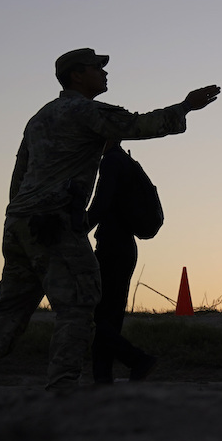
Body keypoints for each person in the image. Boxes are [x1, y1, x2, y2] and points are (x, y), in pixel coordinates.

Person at [0, 48, 220, 401]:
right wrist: (186, 106)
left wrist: (20, 216)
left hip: (20, 222)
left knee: (7, 307)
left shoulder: (39, 118)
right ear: (77, 75)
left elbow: (20, 176)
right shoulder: (85, 111)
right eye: (97, 69)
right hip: (53, 223)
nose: (105, 74)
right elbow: (138, 125)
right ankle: (62, 387)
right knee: (79, 303)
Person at [86, 143, 158, 384]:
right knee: (109, 316)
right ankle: (103, 378)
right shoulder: (124, 161)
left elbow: (100, 204)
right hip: (123, 246)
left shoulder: (111, 162)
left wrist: (76, 229)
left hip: (112, 246)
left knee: (94, 315)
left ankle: (136, 359)